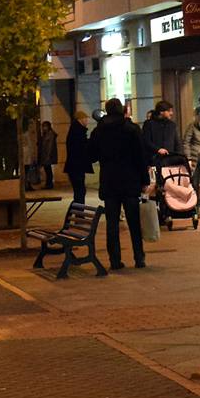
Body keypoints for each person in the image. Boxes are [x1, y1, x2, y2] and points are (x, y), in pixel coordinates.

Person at [88, 97, 150, 270]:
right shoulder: (131, 129)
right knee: (133, 222)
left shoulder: (99, 130)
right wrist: (144, 180)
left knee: (112, 223)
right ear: (122, 110)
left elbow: (91, 155)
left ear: (107, 110)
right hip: (130, 181)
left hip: (109, 181)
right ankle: (139, 257)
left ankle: (115, 260)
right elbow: (141, 156)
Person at [64, 110, 92, 207]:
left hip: (74, 166)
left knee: (79, 191)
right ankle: (78, 213)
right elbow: (81, 148)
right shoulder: (78, 131)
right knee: (80, 191)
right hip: (77, 166)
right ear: (81, 119)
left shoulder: (75, 129)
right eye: (86, 118)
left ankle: (78, 213)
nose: (87, 121)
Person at [140, 100, 182, 166]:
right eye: (169, 111)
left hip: (171, 160)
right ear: (161, 112)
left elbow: (177, 143)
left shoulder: (172, 125)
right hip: (154, 160)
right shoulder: (149, 124)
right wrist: (158, 149)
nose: (171, 113)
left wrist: (179, 157)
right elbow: (146, 141)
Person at [36, 121, 58, 189]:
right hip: (45, 155)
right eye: (43, 126)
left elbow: (50, 146)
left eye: (45, 126)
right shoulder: (45, 134)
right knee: (47, 170)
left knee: (48, 170)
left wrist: (48, 156)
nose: (44, 128)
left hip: (47, 155)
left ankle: (49, 184)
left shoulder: (50, 134)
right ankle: (48, 184)